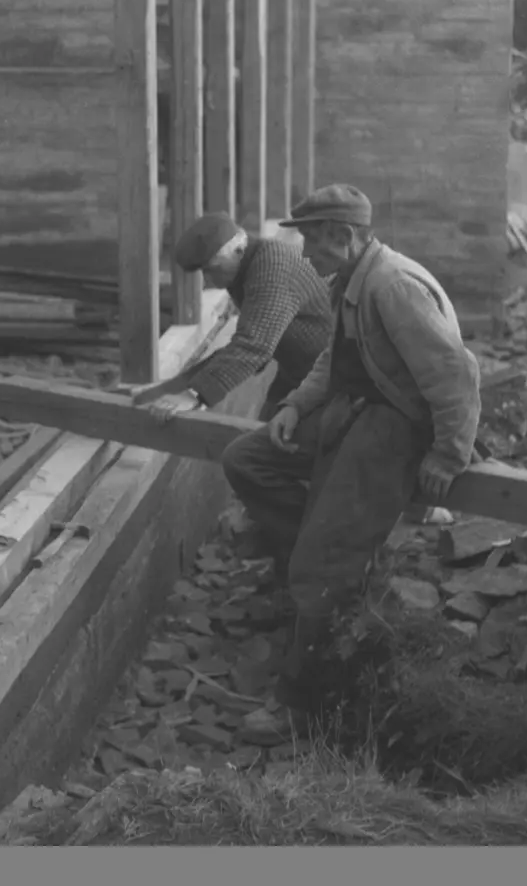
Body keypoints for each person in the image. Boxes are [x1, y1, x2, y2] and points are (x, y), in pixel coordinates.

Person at [219, 184, 482, 725]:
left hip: (396, 428)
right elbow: (329, 363)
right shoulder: (350, 281)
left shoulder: (393, 287)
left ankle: (300, 702)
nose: (306, 254)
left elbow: (455, 376)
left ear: (343, 236)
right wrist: (293, 405)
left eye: (313, 241)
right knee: (247, 458)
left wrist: (449, 457)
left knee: (318, 563)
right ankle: (337, 557)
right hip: (354, 407)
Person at [140, 212, 333, 424]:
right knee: (264, 430)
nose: (209, 281)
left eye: (214, 270)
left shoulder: (272, 269)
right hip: (299, 371)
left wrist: (194, 394)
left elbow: (254, 346)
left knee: (268, 446)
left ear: (239, 249)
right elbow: (253, 343)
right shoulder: (248, 265)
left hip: (332, 380)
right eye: (204, 272)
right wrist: (167, 388)